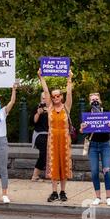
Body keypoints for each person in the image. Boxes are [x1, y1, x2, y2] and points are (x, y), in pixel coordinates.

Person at [38, 68, 74, 202]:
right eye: (54, 96)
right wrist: (41, 78)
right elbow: (46, 91)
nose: (55, 98)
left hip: (64, 139)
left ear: (61, 97)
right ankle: (54, 192)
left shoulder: (66, 107)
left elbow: (69, 93)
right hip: (53, 139)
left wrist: (69, 79)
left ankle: (63, 191)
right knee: (54, 164)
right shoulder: (50, 107)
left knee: (64, 164)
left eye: (58, 96)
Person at [80, 93, 110, 206]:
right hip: (93, 145)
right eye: (92, 99)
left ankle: (108, 197)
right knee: (95, 171)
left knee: (107, 170)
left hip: (105, 144)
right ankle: (98, 197)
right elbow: (81, 130)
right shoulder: (87, 114)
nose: (94, 101)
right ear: (89, 102)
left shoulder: (106, 112)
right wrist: (82, 128)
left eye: (96, 99)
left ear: (100, 100)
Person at [31, 92, 49, 181]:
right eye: (43, 98)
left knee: (50, 155)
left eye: (46, 98)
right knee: (44, 154)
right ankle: (35, 175)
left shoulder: (53, 107)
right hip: (40, 134)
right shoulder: (37, 107)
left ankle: (51, 175)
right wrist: (38, 113)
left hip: (51, 134)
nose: (44, 99)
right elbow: (33, 121)